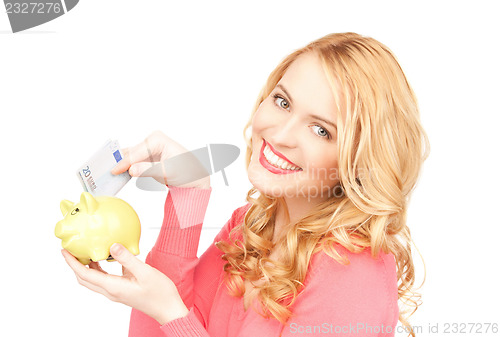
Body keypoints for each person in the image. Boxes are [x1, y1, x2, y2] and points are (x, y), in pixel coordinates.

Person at [61, 32, 430, 337]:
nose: (281, 134)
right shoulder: (251, 227)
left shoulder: (354, 276)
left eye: (321, 130)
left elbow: (174, 318)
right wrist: (190, 190)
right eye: (283, 102)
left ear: (360, 160)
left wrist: (169, 312)